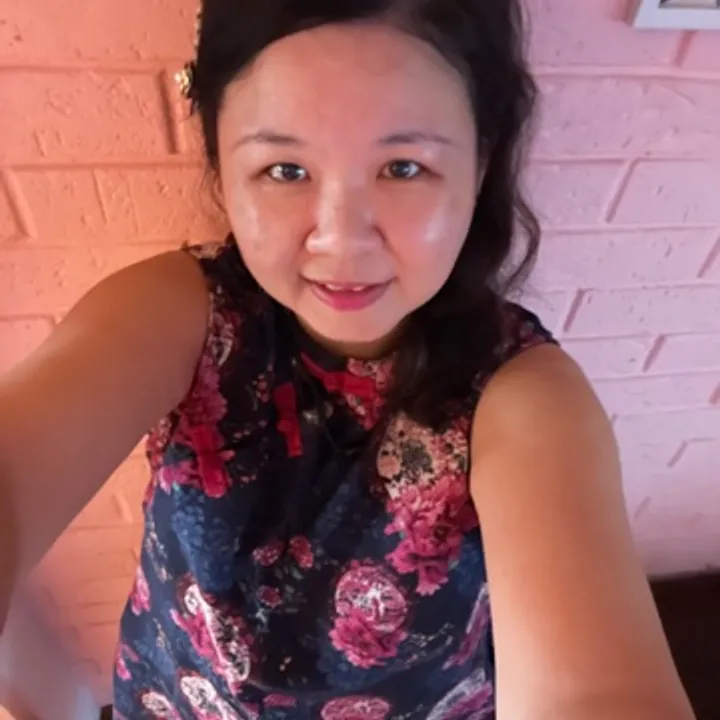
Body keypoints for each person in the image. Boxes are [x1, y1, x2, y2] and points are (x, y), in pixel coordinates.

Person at [0, 1, 695, 718]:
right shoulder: (179, 315)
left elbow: (596, 694)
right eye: (284, 169)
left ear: (480, 163)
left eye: (403, 167)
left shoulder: (521, 397)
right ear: (219, 163)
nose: (341, 239)